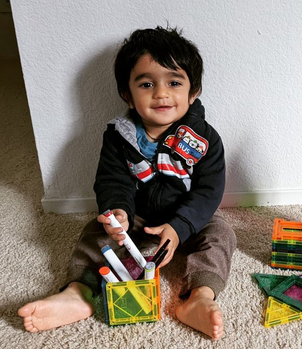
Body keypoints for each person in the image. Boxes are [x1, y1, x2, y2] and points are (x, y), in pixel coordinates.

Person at [18, 26, 236, 341]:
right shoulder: (119, 136)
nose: (161, 93)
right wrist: (117, 211)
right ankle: (78, 293)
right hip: (137, 218)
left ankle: (200, 297)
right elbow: (112, 179)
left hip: (191, 220)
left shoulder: (205, 139)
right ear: (127, 95)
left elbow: (209, 192)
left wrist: (179, 228)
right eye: (147, 84)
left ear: (193, 91)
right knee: (94, 232)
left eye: (174, 82)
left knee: (221, 234)